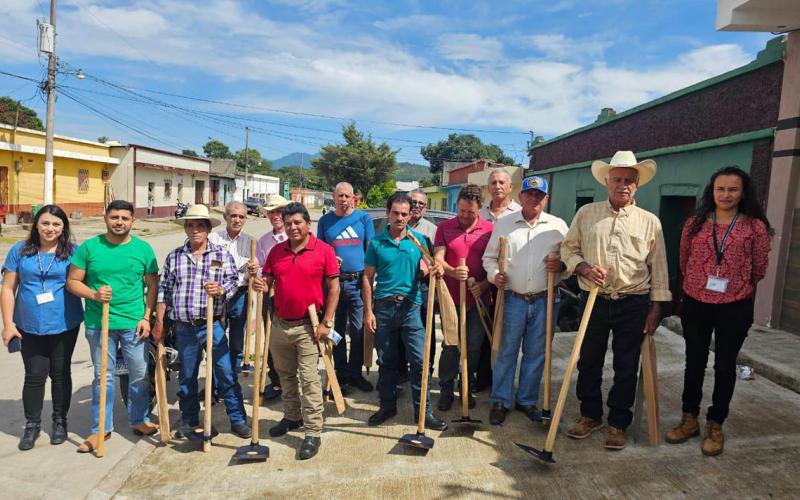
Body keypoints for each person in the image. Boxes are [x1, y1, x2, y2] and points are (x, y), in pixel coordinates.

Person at [561, 151, 671, 451]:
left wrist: (656, 308)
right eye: (618, 179)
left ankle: (618, 423)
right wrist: (582, 267)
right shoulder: (586, 214)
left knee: (626, 366)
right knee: (589, 361)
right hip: (593, 300)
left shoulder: (650, 222)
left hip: (632, 302)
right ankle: (590, 415)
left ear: (637, 185)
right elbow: (568, 249)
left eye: (629, 181)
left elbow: (659, 267)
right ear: (607, 182)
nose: (623, 185)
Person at [665, 166, 771, 456]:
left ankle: (715, 422)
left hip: (735, 305)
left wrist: (735, 285)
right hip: (697, 302)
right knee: (694, 361)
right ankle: (689, 419)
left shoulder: (754, 227)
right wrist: (700, 284)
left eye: (733, 189)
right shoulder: (695, 224)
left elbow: (759, 268)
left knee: (725, 365)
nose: (726, 194)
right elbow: (684, 260)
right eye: (720, 189)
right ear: (712, 192)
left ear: (743, 192)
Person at [66, 200, 160, 453]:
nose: (119, 222)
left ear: (132, 221)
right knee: (103, 377)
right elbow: (73, 282)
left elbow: (152, 285)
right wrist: (93, 294)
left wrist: (146, 316)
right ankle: (100, 429)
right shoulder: (89, 247)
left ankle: (138, 419)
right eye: (114, 217)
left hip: (133, 323)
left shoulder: (143, 249)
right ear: (106, 218)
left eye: (125, 218)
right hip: (100, 324)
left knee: (139, 375)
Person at [153, 204, 251, 440]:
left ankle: (237, 419)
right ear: (185, 229)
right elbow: (163, 291)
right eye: (190, 225)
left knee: (225, 372)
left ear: (208, 229)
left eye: (200, 225)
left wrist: (220, 290)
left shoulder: (220, 255)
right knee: (187, 376)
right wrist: (159, 323)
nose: (195, 229)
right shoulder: (175, 257)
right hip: (184, 327)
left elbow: (232, 282)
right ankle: (189, 420)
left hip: (212, 325)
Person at [257, 202, 339, 460]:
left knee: (309, 379)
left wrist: (327, 322)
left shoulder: (324, 250)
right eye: (289, 223)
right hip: (280, 324)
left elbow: (334, 288)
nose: (293, 227)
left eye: (297, 223)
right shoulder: (276, 251)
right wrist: (261, 282)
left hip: (309, 326)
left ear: (307, 224)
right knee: (285, 377)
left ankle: (313, 431)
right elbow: (269, 280)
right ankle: (292, 417)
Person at [483, 176, 568, 424]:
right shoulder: (505, 224)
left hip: (545, 299)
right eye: (529, 194)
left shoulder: (558, 226)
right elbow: (489, 258)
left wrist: (561, 265)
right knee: (505, 350)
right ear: (520, 197)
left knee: (536, 353)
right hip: (512, 299)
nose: (534, 199)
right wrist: (494, 274)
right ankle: (501, 400)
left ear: (546, 199)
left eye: (539, 196)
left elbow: (571, 259)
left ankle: (527, 400)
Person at [1, 205, 84, 450]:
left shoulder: (73, 253)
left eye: (56, 224)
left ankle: (59, 421)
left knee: (60, 374)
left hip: (64, 324)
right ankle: (32, 424)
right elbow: (7, 288)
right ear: (36, 224)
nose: (50, 229)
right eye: (45, 223)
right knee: (34, 376)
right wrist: (8, 324)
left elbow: (87, 279)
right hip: (28, 325)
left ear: (63, 228)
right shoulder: (19, 251)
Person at [362, 192, 447, 430]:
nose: (400, 218)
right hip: (384, 308)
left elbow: (432, 267)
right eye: (395, 213)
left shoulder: (419, 241)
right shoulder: (376, 243)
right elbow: (367, 279)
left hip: (411, 307)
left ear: (410, 215)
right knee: (386, 361)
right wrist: (368, 311)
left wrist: (434, 268)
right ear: (388, 213)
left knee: (419, 362)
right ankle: (387, 407)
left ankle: (424, 412)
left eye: (404, 214)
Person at [434, 184, 493, 411]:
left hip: (478, 300)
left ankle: (466, 389)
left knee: (474, 348)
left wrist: (484, 284)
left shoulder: (489, 229)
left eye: (470, 212)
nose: (465, 216)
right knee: (451, 346)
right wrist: (451, 271)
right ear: (456, 206)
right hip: (451, 300)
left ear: (479, 209)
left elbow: (495, 264)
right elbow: (438, 258)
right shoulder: (445, 227)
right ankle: (446, 390)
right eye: (461, 211)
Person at [317, 182, 374, 393]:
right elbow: (320, 250)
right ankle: (340, 375)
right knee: (336, 330)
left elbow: (370, 249)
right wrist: (330, 259)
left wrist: (372, 278)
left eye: (347, 196)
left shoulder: (363, 218)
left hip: (359, 282)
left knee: (359, 331)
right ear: (333, 196)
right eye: (339, 195)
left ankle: (355, 373)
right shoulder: (325, 221)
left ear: (353, 198)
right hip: (334, 284)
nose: (343, 199)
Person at [208, 201, 257, 376]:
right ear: (225, 217)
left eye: (241, 217)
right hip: (218, 295)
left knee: (237, 340)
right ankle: (215, 382)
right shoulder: (213, 238)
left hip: (241, 294)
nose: (237, 220)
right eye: (233, 216)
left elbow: (255, 271)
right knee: (216, 338)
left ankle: (233, 377)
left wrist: (253, 271)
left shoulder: (251, 242)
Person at [255, 194, 290, 401]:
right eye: (272, 212)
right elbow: (259, 266)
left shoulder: (296, 234)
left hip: (292, 296)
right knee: (270, 337)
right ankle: (276, 380)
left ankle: (291, 381)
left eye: (279, 211)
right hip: (270, 295)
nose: (275, 216)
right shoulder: (264, 241)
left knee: (292, 338)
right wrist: (258, 275)